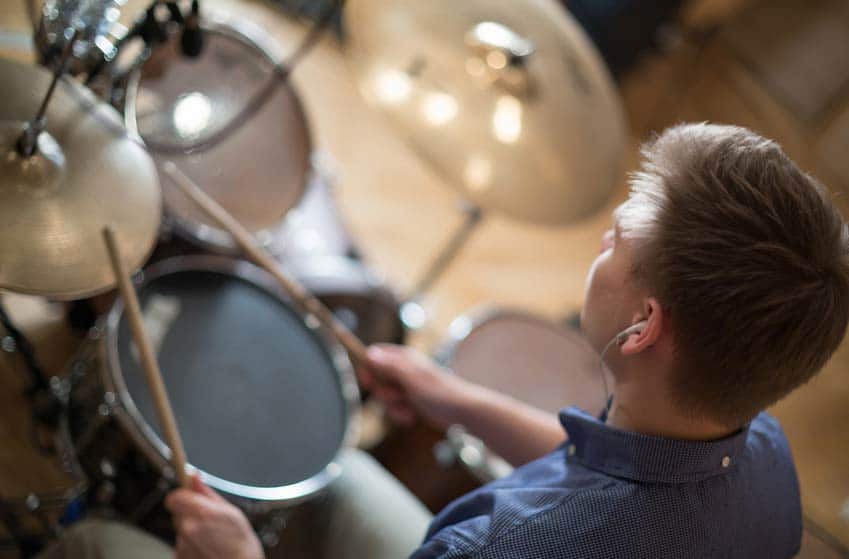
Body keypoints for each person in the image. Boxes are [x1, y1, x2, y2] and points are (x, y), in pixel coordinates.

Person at [37, 123, 849, 558]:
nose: (602, 237)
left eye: (618, 240)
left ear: (642, 327)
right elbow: (604, 470)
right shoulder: (764, 457)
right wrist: (454, 399)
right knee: (340, 475)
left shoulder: (503, 547)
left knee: (94, 542)